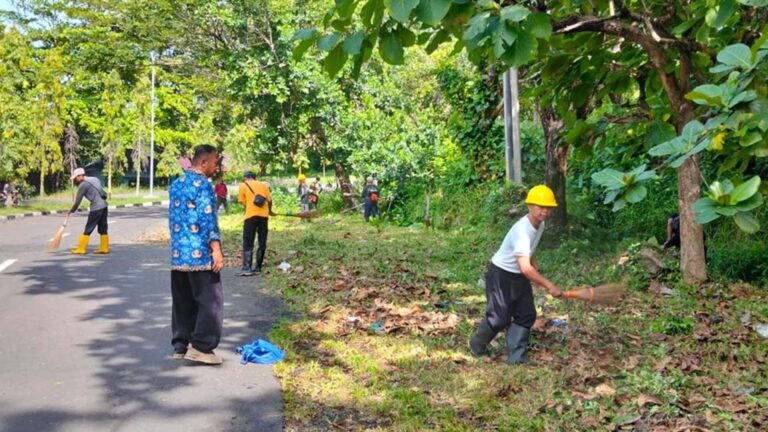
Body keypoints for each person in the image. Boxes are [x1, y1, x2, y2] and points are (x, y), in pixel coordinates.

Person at [469, 185, 563, 365]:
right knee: (499, 318)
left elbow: (528, 252)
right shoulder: (522, 230)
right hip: (501, 275)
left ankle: (517, 357)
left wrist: (535, 265)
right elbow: (525, 268)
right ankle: (477, 345)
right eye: (540, 206)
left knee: (526, 314)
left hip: (518, 275)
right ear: (529, 206)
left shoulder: (540, 224)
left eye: (548, 207)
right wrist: (548, 285)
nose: (544, 211)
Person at [168, 144, 225, 365]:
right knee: (212, 300)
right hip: (200, 255)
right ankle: (202, 346)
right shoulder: (203, 185)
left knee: (183, 301)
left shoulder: (176, 184)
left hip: (178, 255)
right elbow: (207, 218)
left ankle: (181, 345)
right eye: (214, 162)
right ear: (203, 162)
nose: (216, 167)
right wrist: (216, 250)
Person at [237, 171, 275, 276]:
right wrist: (270, 211)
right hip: (264, 216)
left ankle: (247, 268)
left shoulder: (243, 185)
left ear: (246, 177)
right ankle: (258, 267)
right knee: (262, 240)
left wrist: (248, 207)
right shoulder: (264, 185)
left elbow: (242, 201)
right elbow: (270, 200)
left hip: (250, 216)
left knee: (248, 240)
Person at [67, 168, 110, 254]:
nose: (75, 179)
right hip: (104, 206)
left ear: (80, 176)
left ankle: (81, 249)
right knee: (103, 228)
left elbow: (78, 200)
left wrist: (71, 210)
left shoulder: (83, 185)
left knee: (88, 228)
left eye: (76, 177)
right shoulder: (94, 179)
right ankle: (104, 248)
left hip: (96, 208)